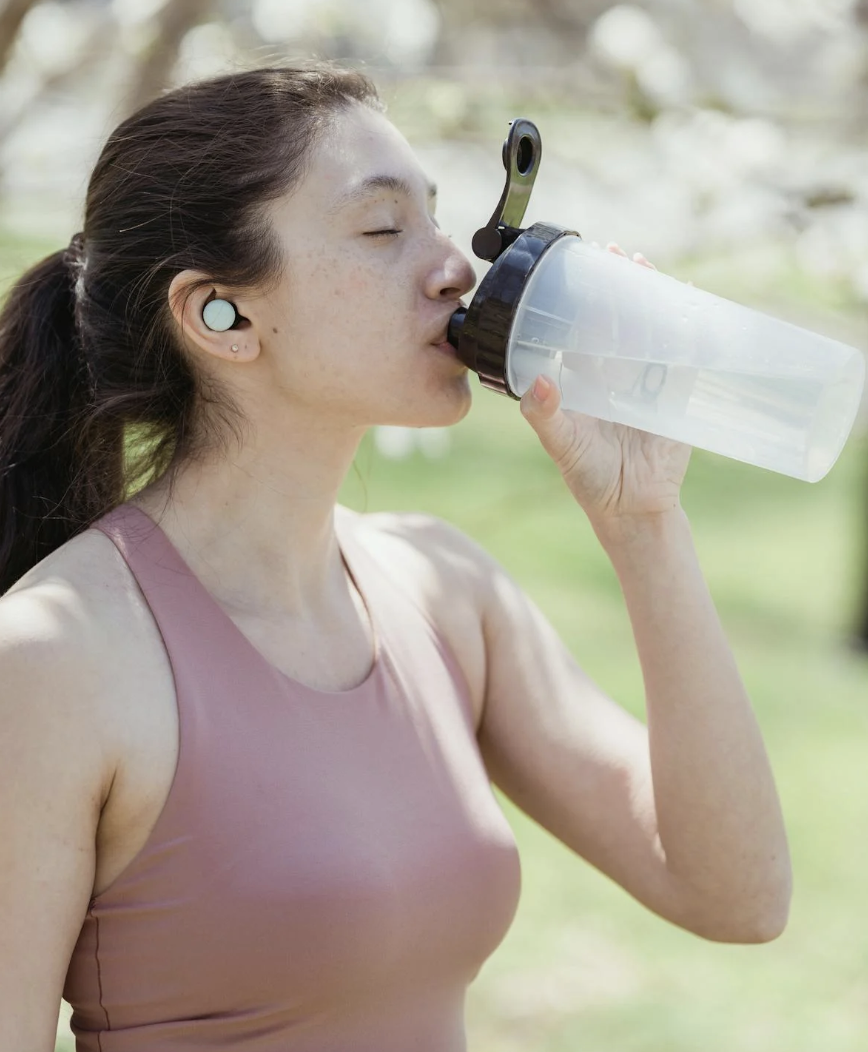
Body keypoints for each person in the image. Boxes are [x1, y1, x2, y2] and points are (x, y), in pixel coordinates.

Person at [0, 63, 791, 1052]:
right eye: (382, 229)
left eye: (437, 217)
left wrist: (644, 520)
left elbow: (737, 895)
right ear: (219, 314)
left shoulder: (443, 589)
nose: (454, 266)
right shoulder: (56, 658)